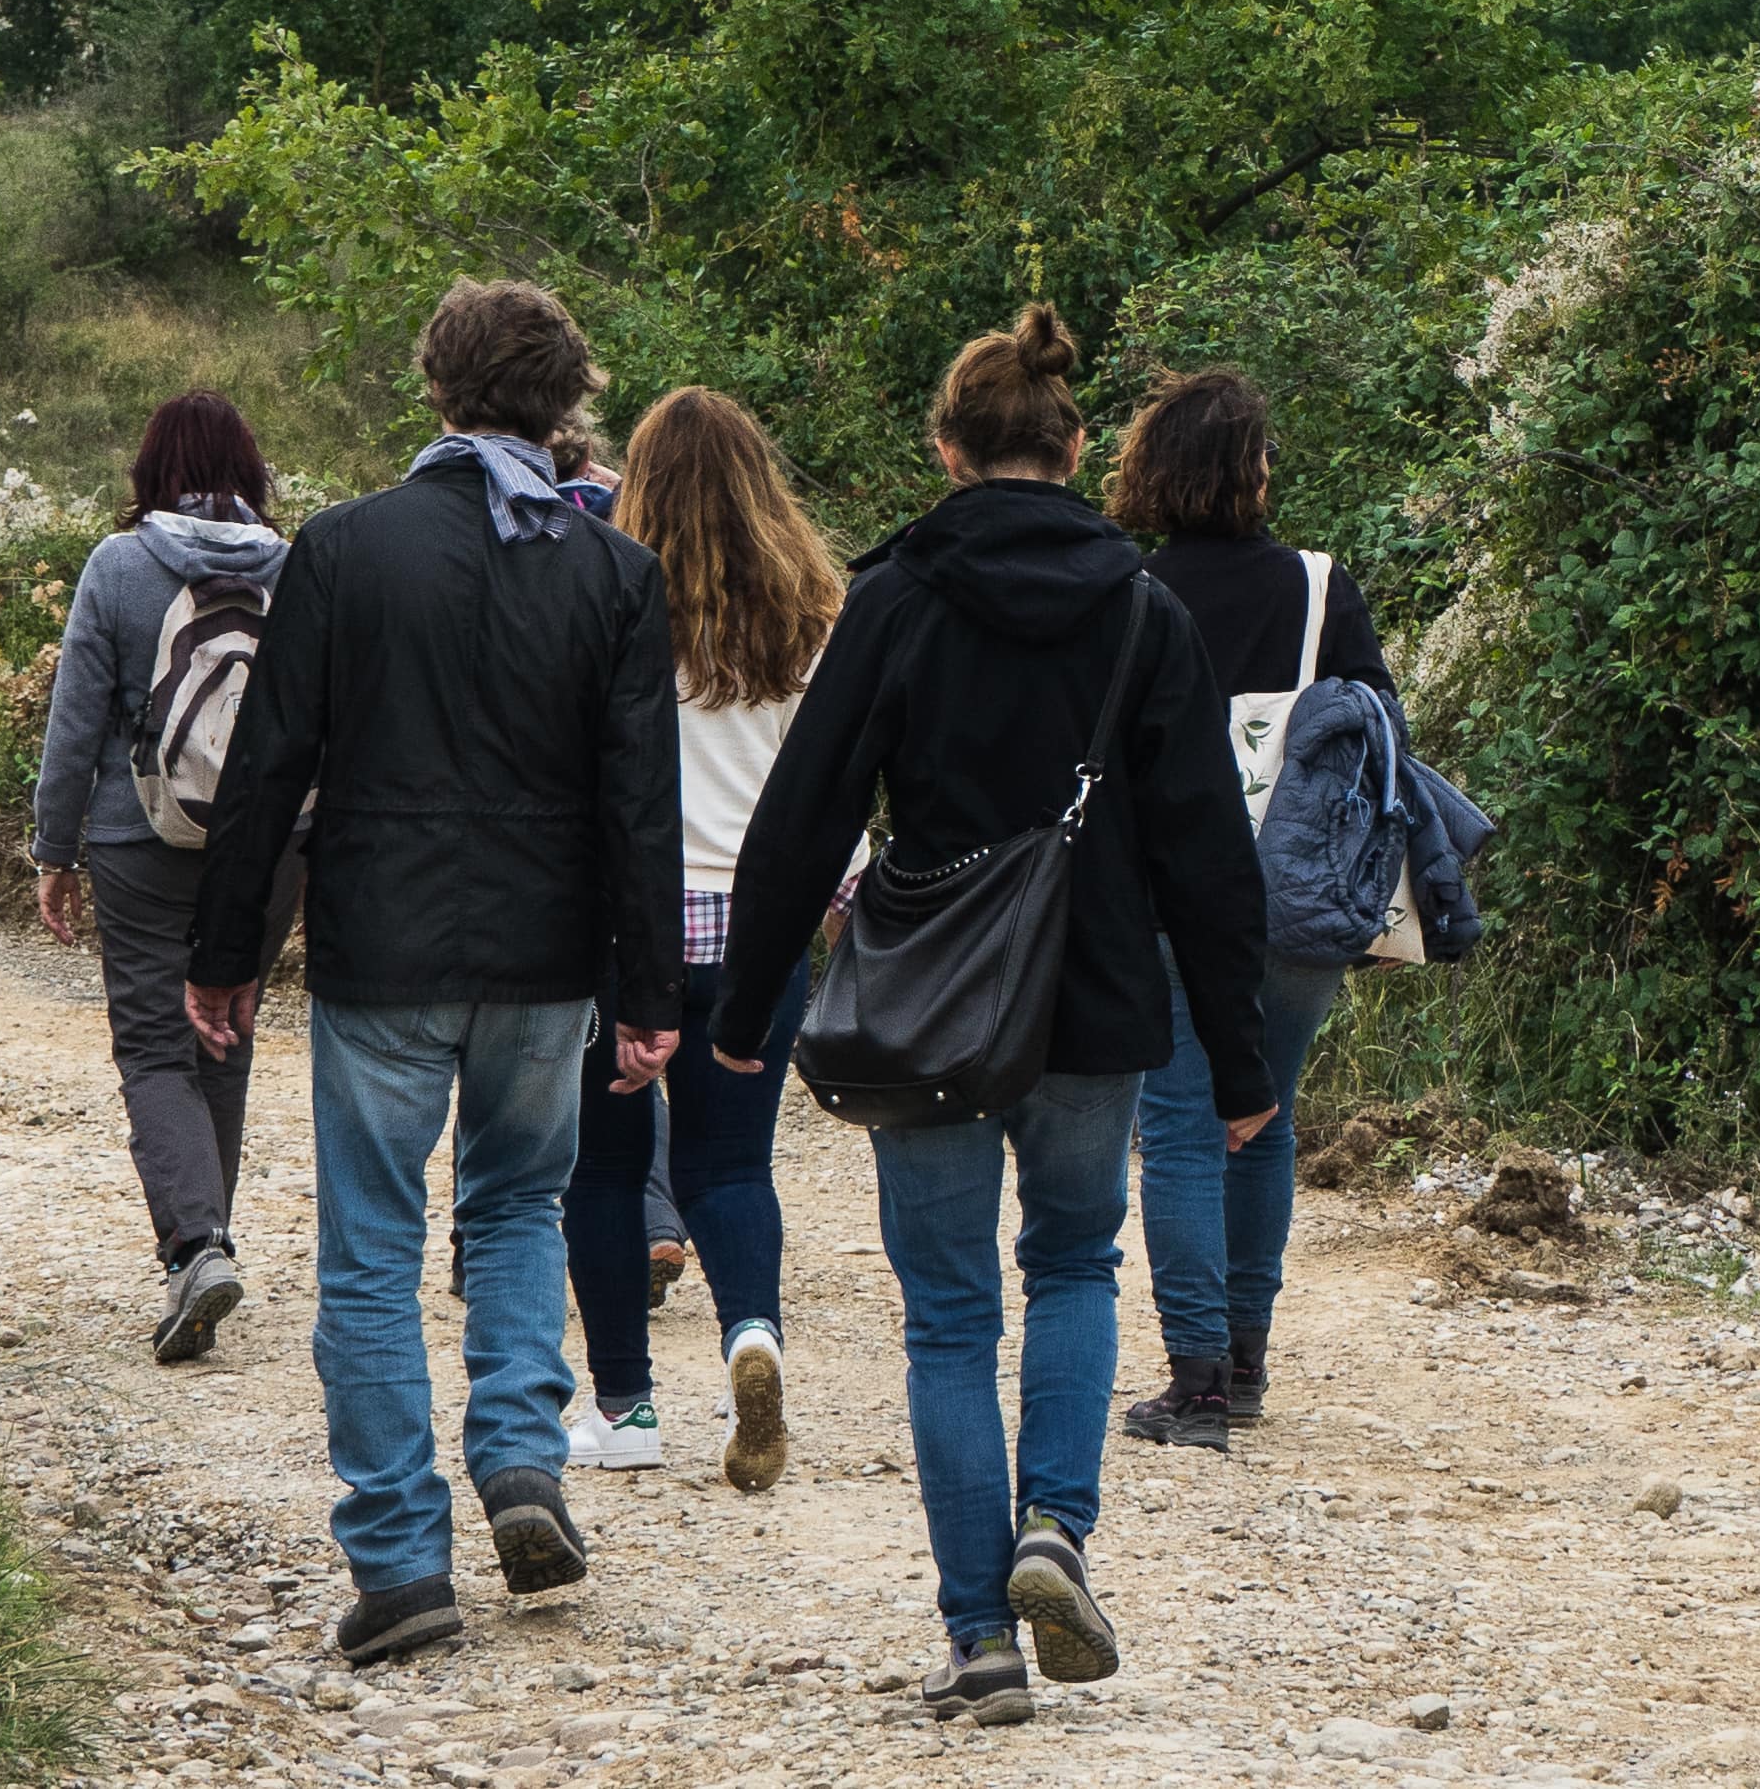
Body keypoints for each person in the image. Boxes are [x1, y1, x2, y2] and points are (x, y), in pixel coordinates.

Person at [713, 306, 1272, 1723]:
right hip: (1095, 1003)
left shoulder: (896, 598)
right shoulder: (1146, 608)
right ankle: (1055, 1532)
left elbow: (804, 813)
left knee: (952, 1318)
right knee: (1076, 1266)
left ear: (947, 446)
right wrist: (1242, 1054)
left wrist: (742, 1006)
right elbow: (1208, 847)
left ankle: (978, 1634)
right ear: (1078, 445)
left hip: (933, 1011)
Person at [184, 281, 683, 1666]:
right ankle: (522, 1456)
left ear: (437, 390)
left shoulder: (342, 550)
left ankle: (402, 1560)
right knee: (520, 1204)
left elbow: (268, 762)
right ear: (568, 397)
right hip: (545, 958)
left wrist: (226, 951)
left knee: (371, 1248)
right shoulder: (614, 574)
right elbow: (644, 800)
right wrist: (652, 993)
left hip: (381, 950)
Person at [563, 385, 845, 1495]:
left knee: (605, 1161)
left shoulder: (602, 592)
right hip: (760, 923)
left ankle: (626, 1405)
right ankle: (749, 1343)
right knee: (732, 1162)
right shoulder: (811, 606)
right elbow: (828, 777)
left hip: (626, 919)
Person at [1107, 365, 1393, 1450]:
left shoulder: (1134, 592)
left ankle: (1196, 1381)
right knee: (1263, 1115)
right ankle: (1247, 1355)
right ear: (1252, 472)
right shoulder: (1323, 587)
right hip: (1302, 898)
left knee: (1179, 1123)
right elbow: (1377, 735)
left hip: (1176, 899)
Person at [26, 393, 301, 1365]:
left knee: (154, 1040)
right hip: (269, 846)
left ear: (151, 468)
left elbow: (74, 724)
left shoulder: (120, 564)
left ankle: (196, 1244)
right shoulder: (294, 563)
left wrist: (52, 851)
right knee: (224, 1032)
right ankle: (204, 1240)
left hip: (139, 838)